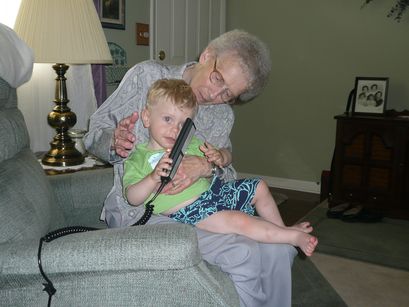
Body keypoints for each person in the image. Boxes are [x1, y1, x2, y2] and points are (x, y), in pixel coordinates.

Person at [85, 29, 297, 307]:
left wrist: (207, 166)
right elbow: (93, 135)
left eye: (228, 94)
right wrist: (113, 142)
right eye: (217, 78)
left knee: (280, 250)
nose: (214, 94)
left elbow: (226, 171)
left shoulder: (222, 115)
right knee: (243, 250)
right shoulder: (147, 77)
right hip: (142, 209)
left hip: (202, 206)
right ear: (207, 55)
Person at [124, 79, 318, 256]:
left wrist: (218, 157)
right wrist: (152, 178)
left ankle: (282, 229)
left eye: (183, 124)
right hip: (191, 210)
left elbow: (225, 157)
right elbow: (132, 197)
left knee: (259, 186)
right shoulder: (139, 158)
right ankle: (292, 238)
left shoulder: (190, 144)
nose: (175, 129)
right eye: (168, 119)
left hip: (216, 193)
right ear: (147, 118)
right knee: (238, 221)